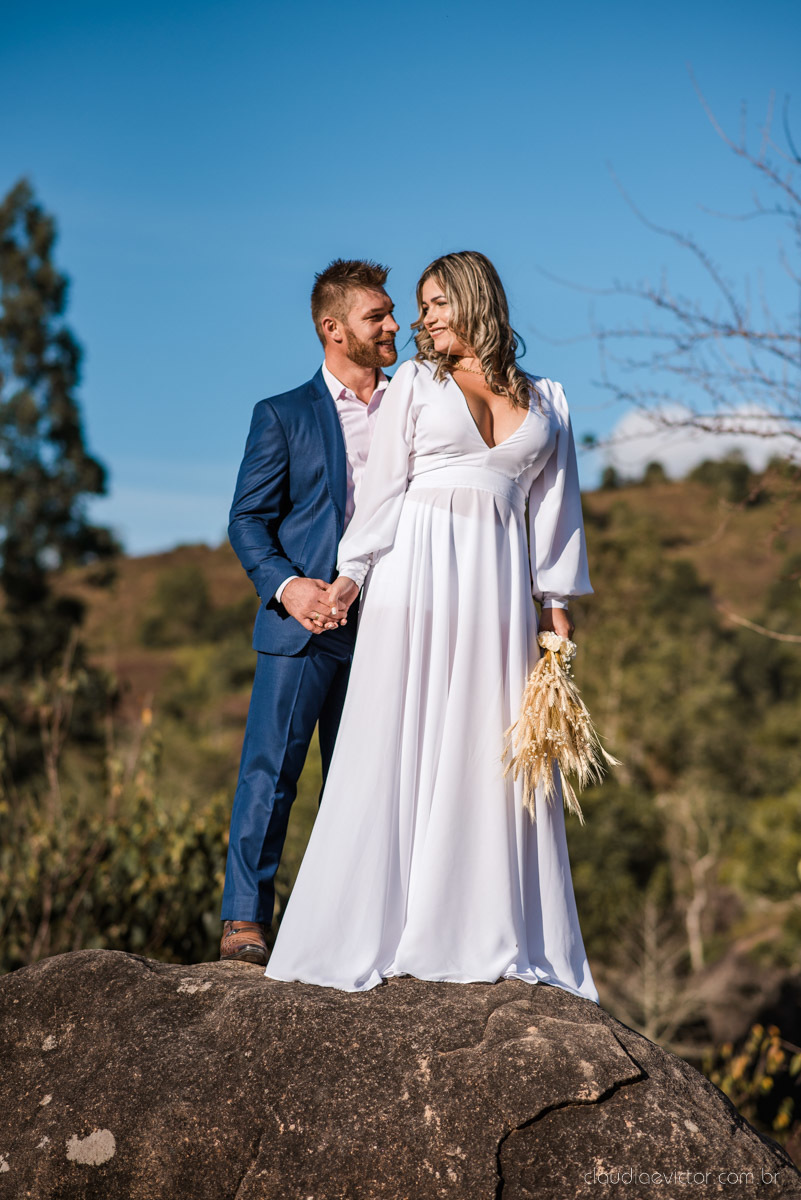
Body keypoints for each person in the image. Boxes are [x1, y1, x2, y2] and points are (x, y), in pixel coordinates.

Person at [264, 250, 599, 1002]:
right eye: (419, 305)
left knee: (489, 742)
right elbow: (381, 492)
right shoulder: (415, 382)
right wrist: (351, 575)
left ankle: (478, 924)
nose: (423, 318)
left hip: (499, 590)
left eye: (438, 301)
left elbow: (554, 511)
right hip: (416, 577)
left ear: (477, 299)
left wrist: (556, 609)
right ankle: (374, 925)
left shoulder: (549, 399)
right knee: (401, 734)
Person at [219, 258, 399, 966]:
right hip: (303, 628)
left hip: (392, 625)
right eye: (375, 316)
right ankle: (244, 922)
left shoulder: (415, 402)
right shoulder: (281, 414)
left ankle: (352, 925)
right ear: (333, 329)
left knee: (373, 781)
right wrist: (289, 588)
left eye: (390, 314)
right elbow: (246, 521)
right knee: (272, 772)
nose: (392, 327)